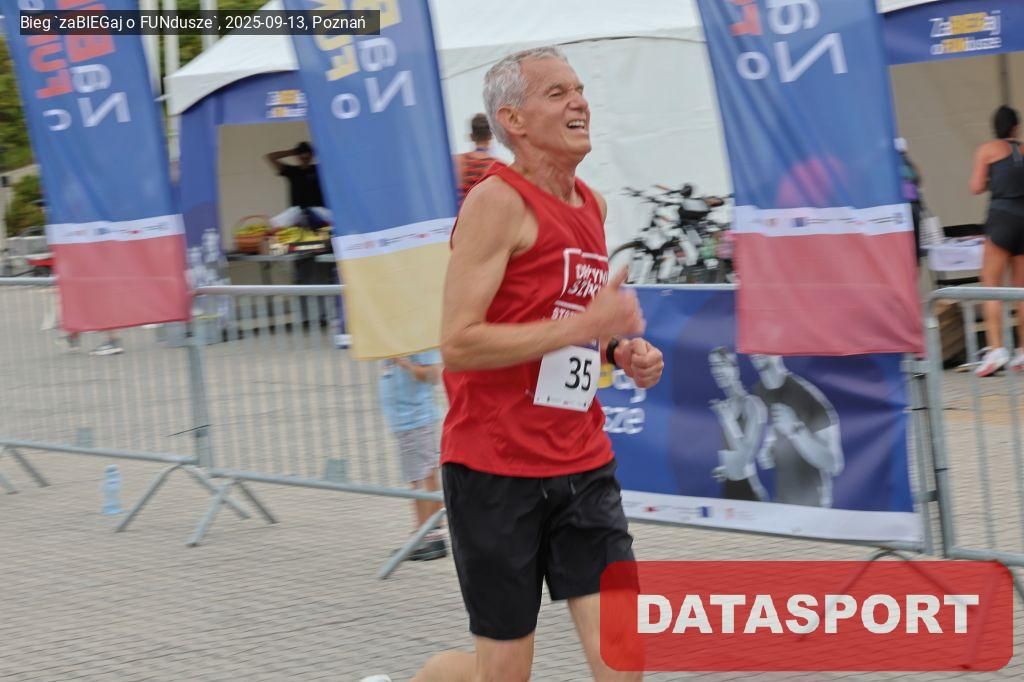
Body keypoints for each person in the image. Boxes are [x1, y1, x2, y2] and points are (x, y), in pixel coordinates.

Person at [412, 46, 664, 682]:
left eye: (579, 89)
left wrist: (619, 350)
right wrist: (586, 326)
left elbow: (568, 316)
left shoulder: (592, 206)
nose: (579, 101)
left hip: (582, 462)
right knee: (503, 674)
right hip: (496, 470)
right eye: (557, 93)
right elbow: (459, 342)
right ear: (513, 120)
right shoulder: (497, 202)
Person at [970, 106, 1024, 376]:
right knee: (1021, 290)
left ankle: (996, 350)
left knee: (991, 285)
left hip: (1001, 217)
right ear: (1016, 127)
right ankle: (1023, 352)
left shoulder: (987, 150)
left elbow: (976, 186)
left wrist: (996, 179)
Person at [378, 350, 447, 561]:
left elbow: (434, 375)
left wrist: (405, 364)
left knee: (425, 476)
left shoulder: (418, 341)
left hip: (417, 419)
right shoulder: (391, 341)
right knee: (416, 479)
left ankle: (432, 536)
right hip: (402, 422)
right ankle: (421, 533)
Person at [749, 355, 843, 508]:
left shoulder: (807, 396)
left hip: (812, 507)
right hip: (781, 503)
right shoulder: (758, 392)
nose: (755, 351)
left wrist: (795, 429)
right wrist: (768, 450)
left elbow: (834, 463)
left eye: (762, 344)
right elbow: (773, 435)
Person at [708, 347, 769, 502]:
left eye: (722, 365)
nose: (717, 371)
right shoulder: (726, 406)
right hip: (728, 489)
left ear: (735, 368)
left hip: (749, 492)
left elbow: (746, 457)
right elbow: (732, 453)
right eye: (713, 366)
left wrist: (728, 421)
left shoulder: (753, 405)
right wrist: (725, 469)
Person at [263, 142, 331, 229]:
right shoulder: (291, 171)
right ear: (297, 156)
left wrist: (316, 151)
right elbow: (270, 157)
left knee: (335, 219)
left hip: (319, 211)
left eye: (307, 156)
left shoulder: (319, 170)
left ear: (311, 156)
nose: (304, 158)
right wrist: (292, 152)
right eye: (301, 155)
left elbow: (333, 159)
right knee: (275, 224)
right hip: (297, 212)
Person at [453, 113, 500, 207]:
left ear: (471, 136)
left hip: (456, 214)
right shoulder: (498, 167)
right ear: (491, 136)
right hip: (480, 214)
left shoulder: (456, 160)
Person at [896, 137, 924, 263]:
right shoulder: (910, 164)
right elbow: (918, 180)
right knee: (915, 245)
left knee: (903, 243)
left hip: (901, 209)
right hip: (914, 206)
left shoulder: (893, 165)